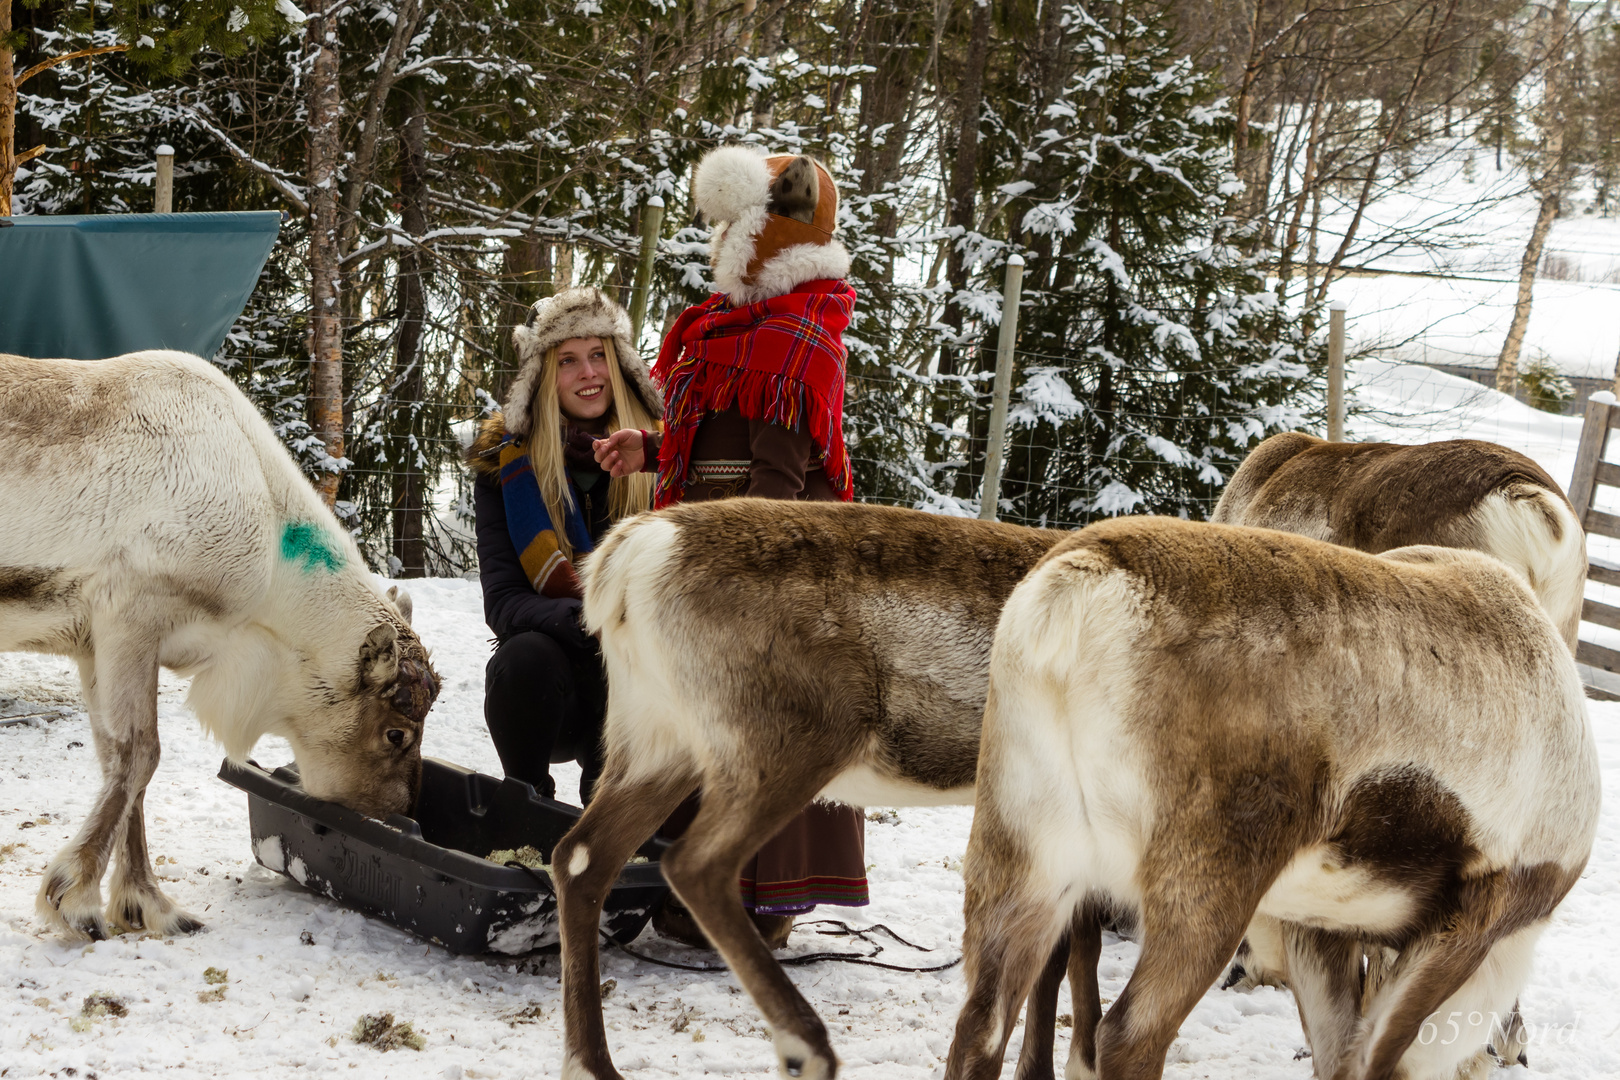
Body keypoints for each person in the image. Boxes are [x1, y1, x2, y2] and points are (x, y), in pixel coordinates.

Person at [595, 147, 867, 949]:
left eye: (731, 228)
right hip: (711, 536)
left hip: (764, 556)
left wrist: (743, 569)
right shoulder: (727, 328)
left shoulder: (799, 333)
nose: (718, 244)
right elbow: (712, 432)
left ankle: (763, 899)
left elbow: (778, 469)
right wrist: (650, 452)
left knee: (761, 719)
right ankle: (693, 877)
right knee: (701, 717)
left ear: (764, 235)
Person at [466, 287, 661, 805]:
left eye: (599, 355)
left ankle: (613, 818)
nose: (589, 374)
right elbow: (504, 601)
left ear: (619, 364)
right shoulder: (506, 465)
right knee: (522, 659)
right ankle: (527, 807)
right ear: (543, 376)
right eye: (568, 361)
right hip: (560, 677)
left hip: (643, 679)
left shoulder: (665, 459)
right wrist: (591, 620)